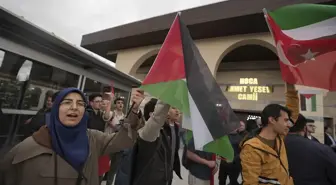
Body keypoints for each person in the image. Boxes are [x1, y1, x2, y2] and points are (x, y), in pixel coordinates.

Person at [0, 87, 143, 185]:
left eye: (80, 103)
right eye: (67, 102)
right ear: (56, 109)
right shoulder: (26, 150)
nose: (74, 107)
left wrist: (134, 110)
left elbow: (124, 140)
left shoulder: (94, 139)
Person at [115, 98, 182, 185]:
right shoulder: (147, 135)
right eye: (166, 112)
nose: (167, 114)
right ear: (151, 114)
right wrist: (167, 95)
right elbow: (157, 119)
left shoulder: (164, 133)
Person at [240, 104, 293, 185]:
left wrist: (292, 91)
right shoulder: (252, 147)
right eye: (285, 120)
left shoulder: (279, 138)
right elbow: (250, 182)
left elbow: (294, 113)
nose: (288, 124)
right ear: (272, 120)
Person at [285, 114, 336, 185]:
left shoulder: (271, 148)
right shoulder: (321, 149)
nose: (313, 127)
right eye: (310, 126)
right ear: (304, 128)